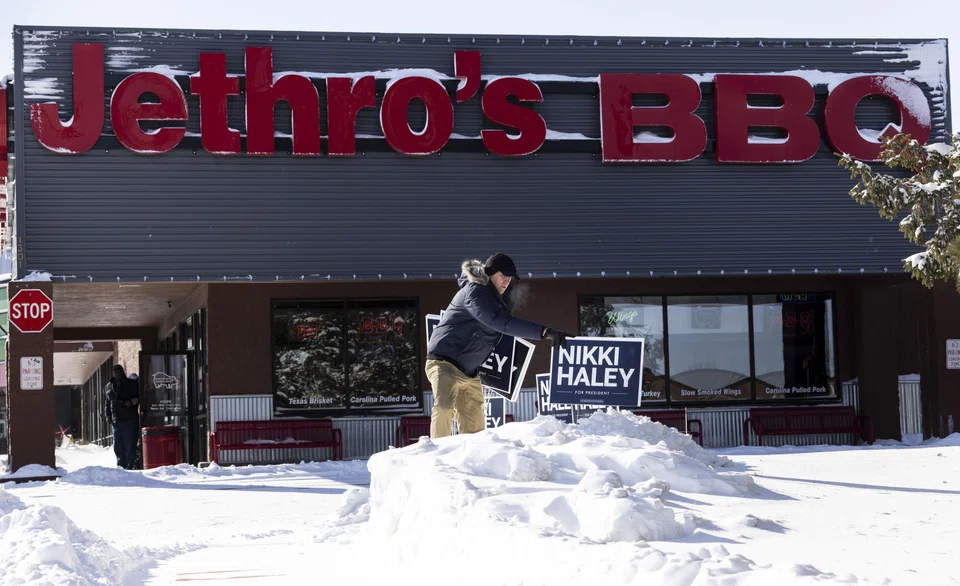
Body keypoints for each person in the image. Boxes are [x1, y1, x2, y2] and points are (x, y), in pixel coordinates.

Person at [426, 253, 571, 438]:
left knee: (475, 427)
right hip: (443, 362)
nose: (507, 282)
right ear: (490, 273)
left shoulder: (499, 299)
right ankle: (437, 458)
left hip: (470, 372)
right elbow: (500, 322)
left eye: (510, 278)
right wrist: (544, 332)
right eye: (504, 276)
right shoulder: (475, 292)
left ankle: (473, 463)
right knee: (444, 406)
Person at [104, 364, 141, 469]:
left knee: (130, 444)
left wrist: (131, 402)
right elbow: (107, 403)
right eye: (115, 372)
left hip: (129, 420)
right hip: (116, 421)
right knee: (118, 446)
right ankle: (121, 466)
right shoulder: (109, 387)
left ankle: (130, 466)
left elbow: (139, 397)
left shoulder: (131, 384)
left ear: (123, 372)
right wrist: (108, 416)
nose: (117, 374)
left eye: (119, 372)